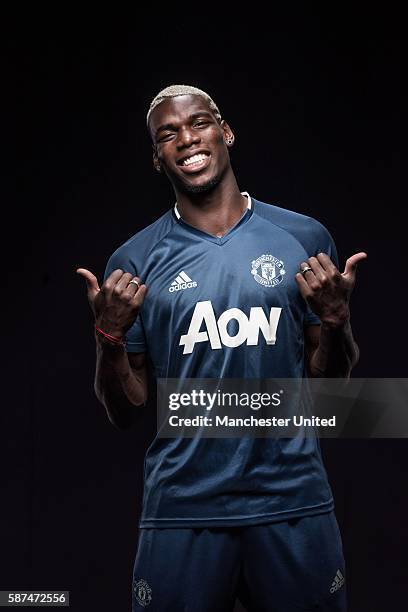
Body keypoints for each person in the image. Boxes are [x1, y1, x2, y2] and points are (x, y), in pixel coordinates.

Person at [77, 84, 366, 611]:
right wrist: (109, 339)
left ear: (225, 131)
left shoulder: (302, 237)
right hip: (183, 511)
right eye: (168, 134)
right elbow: (125, 411)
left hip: (291, 504)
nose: (186, 139)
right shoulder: (135, 260)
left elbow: (333, 396)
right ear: (157, 158)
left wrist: (337, 321)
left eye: (199, 123)